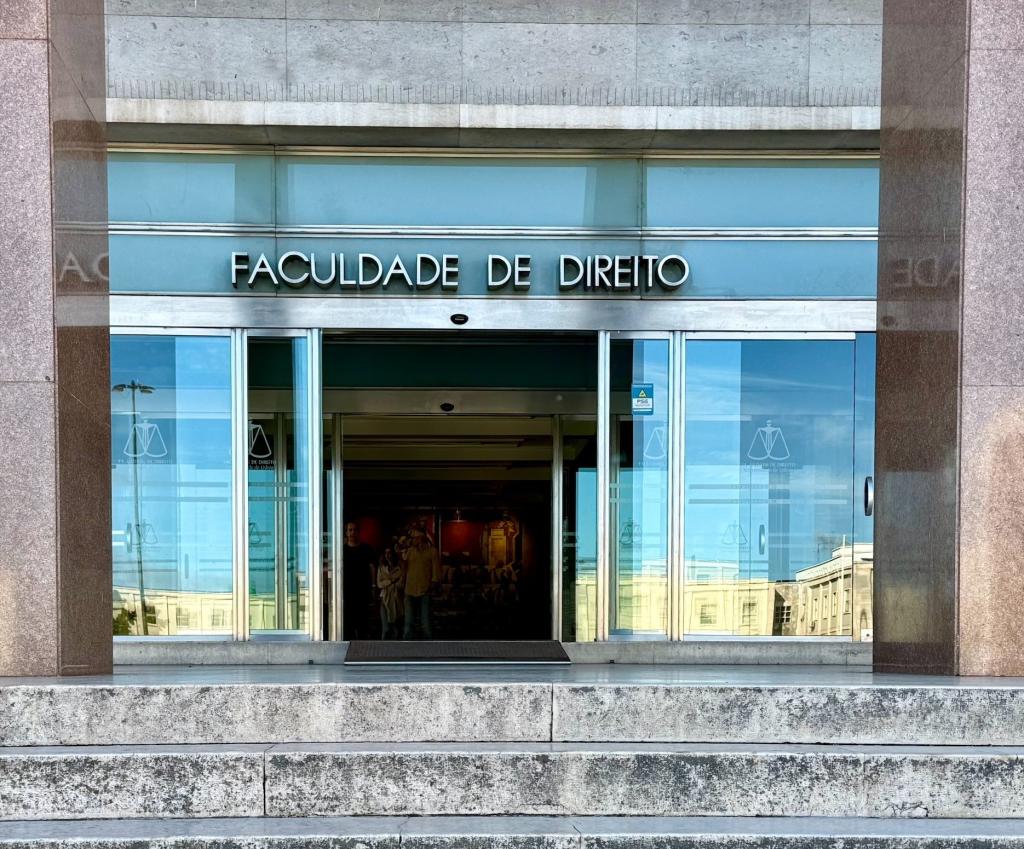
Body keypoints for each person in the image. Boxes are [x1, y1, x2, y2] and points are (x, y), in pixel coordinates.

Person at [403, 525, 440, 640]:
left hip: (424, 591)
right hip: (409, 590)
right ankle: (408, 650)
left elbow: (436, 574)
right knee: (408, 622)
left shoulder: (432, 552)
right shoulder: (409, 552)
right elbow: (403, 569)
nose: (413, 539)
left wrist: (432, 588)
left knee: (426, 622)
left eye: (415, 537)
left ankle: (428, 650)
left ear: (421, 537)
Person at [342, 520, 377, 640]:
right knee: (348, 622)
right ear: (346, 532)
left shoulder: (366, 548)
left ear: (358, 532)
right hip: (347, 591)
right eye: (349, 530)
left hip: (363, 590)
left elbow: (372, 567)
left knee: (363, 622)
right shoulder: (342, 550)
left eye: (354, 530)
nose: (352, 532)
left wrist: (373, 586)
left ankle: (363, 649)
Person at [376, 546, 404, 640]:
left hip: (396, 599)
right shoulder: (381, 569)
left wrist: (390, 583)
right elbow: (379, 584)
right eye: (386, 553)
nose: (388, 555)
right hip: (384, 599)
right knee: (386, 628)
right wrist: (391, 581)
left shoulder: (398, 569)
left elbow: (401, 584)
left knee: (396, 628)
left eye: (390, 553)